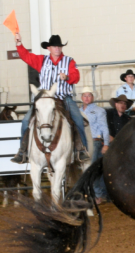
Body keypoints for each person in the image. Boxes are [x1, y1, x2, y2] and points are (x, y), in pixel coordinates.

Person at [10, 34, 90, 164]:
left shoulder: (69, 61)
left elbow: (76, 76)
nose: (57, 48)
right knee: (25, 121)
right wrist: (19, 44)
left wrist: (68, 77)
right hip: (44, 99)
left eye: (59, 46)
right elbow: (26, 56)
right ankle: (23, 151)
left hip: (63, 97)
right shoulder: (42, 60)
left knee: (78, 119)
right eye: (54, 46)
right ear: (49, 48)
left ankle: (81, 150)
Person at [78, 89, 111, 161]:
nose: (86, 98)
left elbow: (104, 127)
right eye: (84, 96)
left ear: (92, 97)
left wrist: (106, 144)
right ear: (82, 98)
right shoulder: (78, 111)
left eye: (89, 95)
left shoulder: (99, 110)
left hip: (94, 141)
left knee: (90, 165)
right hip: (81, 143)